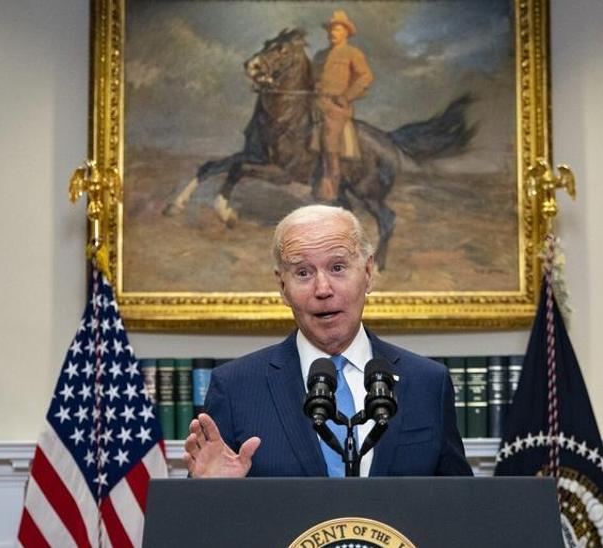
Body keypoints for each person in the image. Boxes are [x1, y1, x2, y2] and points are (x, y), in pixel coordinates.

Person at [184, 205, 471, 477]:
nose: (323, 289)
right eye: (303, 273)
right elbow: (200, 517)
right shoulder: (235, 387)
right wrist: (216, 492)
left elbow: (460, 507)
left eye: (337, 267)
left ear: (369, 273)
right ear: (283, 287)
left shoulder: (428, 383)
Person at [312, 10, 374, 203]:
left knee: (330, 142)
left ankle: (331, 187)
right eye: (331, 29)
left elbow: (366, 77)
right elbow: (312, 79)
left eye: (337, 29)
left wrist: (347, 96)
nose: (332, 32)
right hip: (315, 103)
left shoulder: (352, 53)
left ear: (346, 32)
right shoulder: (320, 55)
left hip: (336, 108)